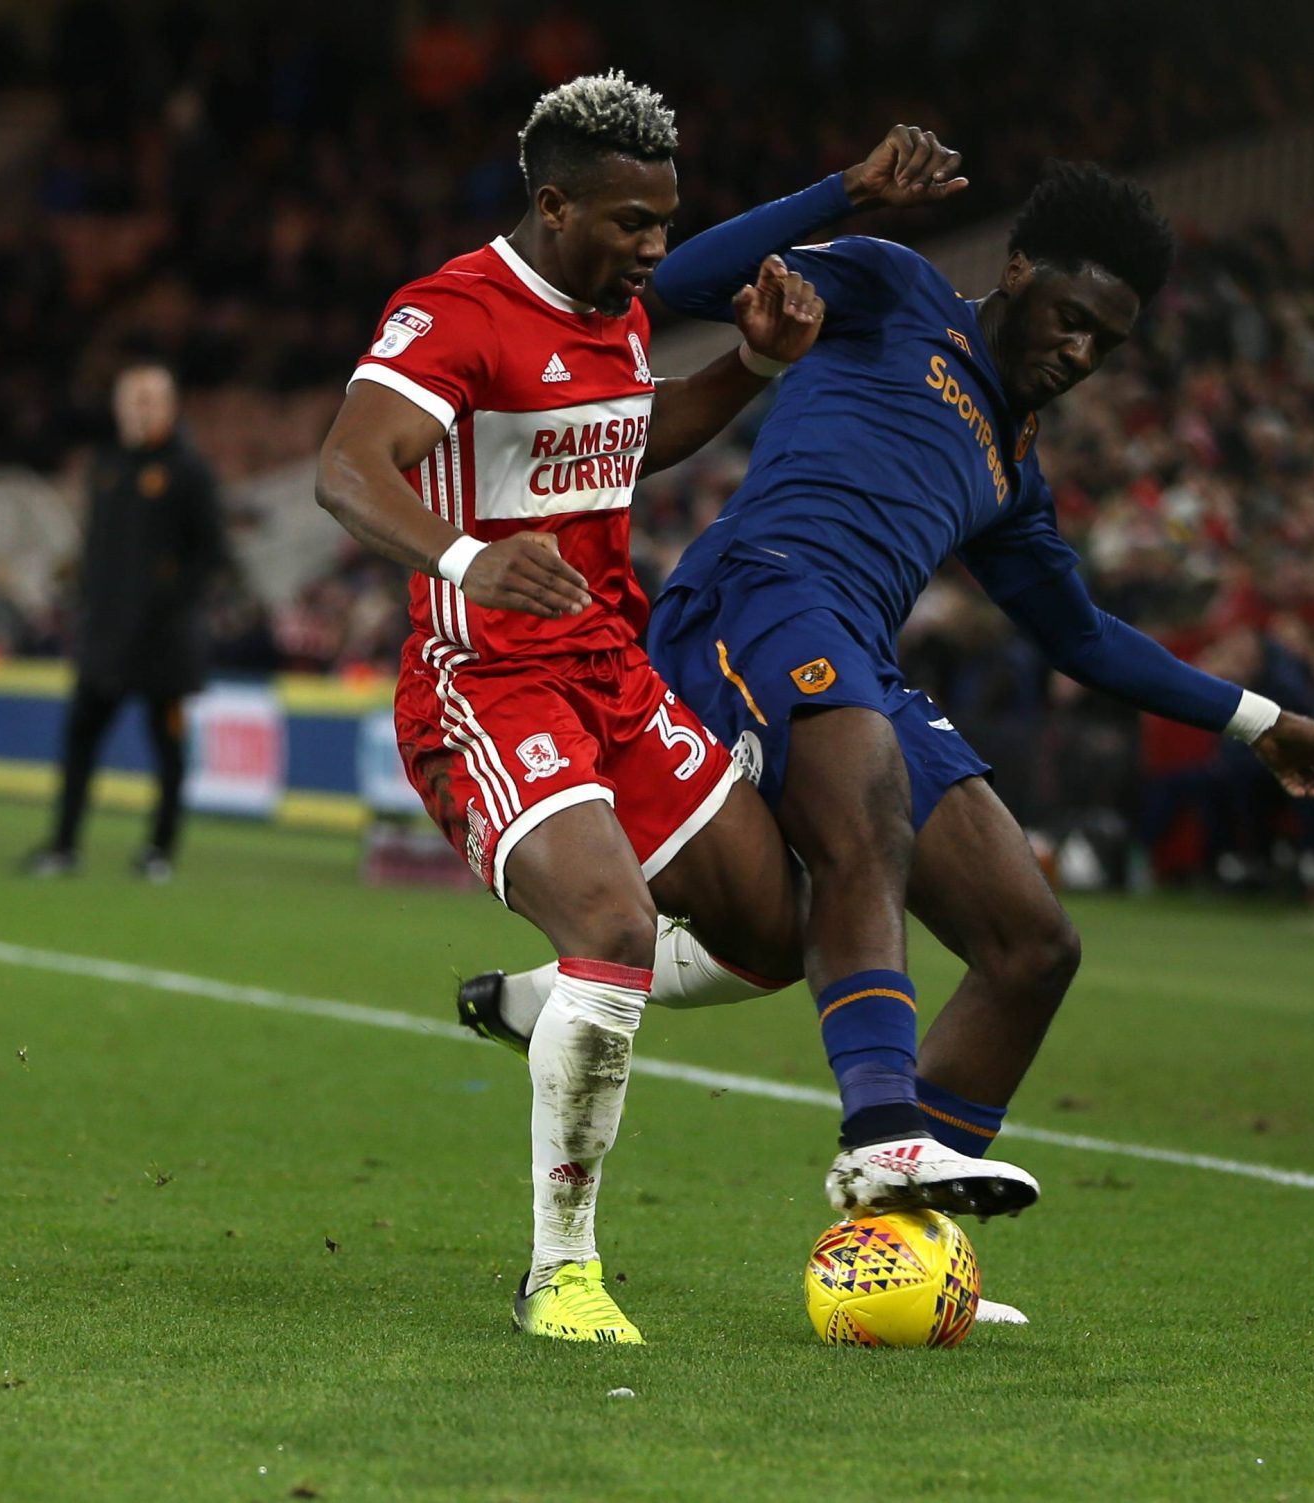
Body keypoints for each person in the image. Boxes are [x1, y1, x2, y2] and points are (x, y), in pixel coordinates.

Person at [466, 152, 1314, 1259]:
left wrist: (1259, 720)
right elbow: (684, 279)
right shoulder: (895, 287)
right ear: (1018, 271)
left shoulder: (1009, 467)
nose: (1078, 353)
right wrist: (848, 193)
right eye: (1070, 318)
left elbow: (1078, 634)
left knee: (1032, 946)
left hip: (855, 660)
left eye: (1105, 344)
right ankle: (884, 1135)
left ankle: (894, 1249)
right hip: (758, 594)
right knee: (864, 806)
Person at [310, 77, 1010, 1345]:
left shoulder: (614, 312)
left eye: (665, 221)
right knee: (618, 922)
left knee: (774, 925)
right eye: (632, 223)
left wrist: (749, 365)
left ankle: (545, 1002)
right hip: (488, 681)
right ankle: (560, 1270)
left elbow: (635, 440)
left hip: (614, 678)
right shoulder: (454, 310)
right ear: (553, 202)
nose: (655, 250)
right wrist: (467, 558)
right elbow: (348, 470)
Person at [23, 365, 224, 881]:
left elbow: (211, 555)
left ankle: (159, 849)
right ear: (117, 407)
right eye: (132, 399)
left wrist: (168, 602)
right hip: (106, 637)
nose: (140, 409)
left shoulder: (189, 471)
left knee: (167, 748)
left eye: (151, 400)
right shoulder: (105, 466)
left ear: (172, 406)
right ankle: (63, 845)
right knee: (79, 740)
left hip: (164, 642)